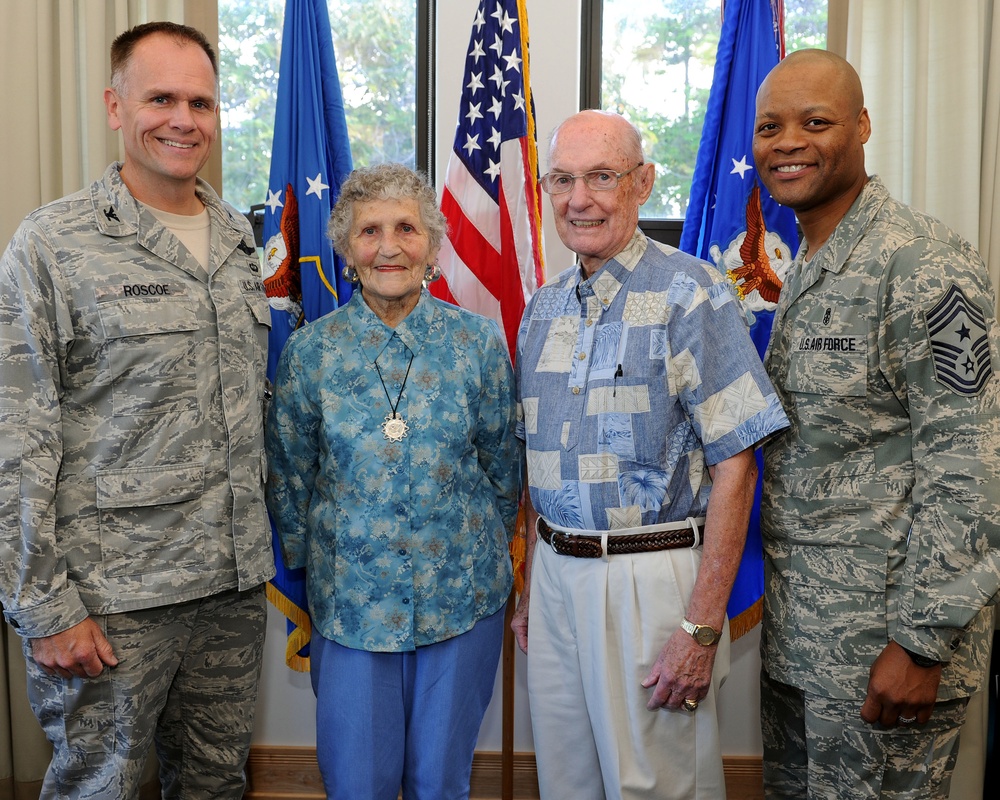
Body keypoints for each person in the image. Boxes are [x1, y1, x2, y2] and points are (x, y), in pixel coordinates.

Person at [0, 20, 274, 800]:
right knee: (99, 789)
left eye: (201, 102)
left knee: (216, 784)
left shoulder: (235, 237)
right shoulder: (54, 243)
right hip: (112, 601)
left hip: (228, 588)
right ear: (116, 107)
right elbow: (14, 435)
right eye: (161, 98)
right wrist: (43, 605)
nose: (183, 119)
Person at [510, 109, 789, 800]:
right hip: (552, 580)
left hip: (649, 578)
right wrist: (526, 590)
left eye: (602, 176)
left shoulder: (691, 291)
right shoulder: (541, 308)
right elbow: (534, 463)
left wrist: (700, 627)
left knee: (656, 787)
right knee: (566, 783)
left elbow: (737, 463)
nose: (580, 199)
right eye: (564, 180)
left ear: (642, 184)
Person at [755, 49, 1000, 799]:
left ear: (862, 126)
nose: (787, 142)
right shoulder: (809, 259)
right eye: (770, 127)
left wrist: (922, 644)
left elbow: (972, 465)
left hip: (884, 650)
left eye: (815, 122)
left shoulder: (921, 265)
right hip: (804, 640)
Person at [265, 162, 520, 800]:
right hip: (353, 605)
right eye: (369, 230)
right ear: (346, 249)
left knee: (441, 782)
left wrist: (470, 548)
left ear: (432, 245)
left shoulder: (479, 342)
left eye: (406, 228)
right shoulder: (311, 352)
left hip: (462, 601)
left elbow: (503, 472)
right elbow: (290, 479)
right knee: (359, 783)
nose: (388, 245)